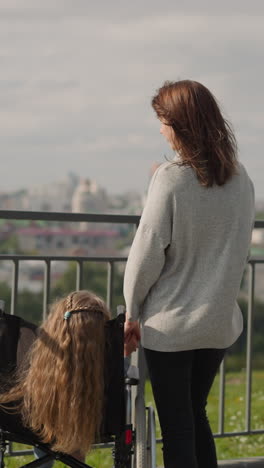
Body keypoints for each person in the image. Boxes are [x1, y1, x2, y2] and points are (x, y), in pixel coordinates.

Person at [123, 80, 255, 468]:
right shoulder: (241, 179)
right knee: (196, 417)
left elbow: (146, 252)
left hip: (171, 327)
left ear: (180, 124)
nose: (160, 130)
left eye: (163, 121)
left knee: (178, 427)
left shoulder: (171, 178)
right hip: (217, 322)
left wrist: (132, 313)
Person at [0, 290, 112, 465]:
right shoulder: (112, 362)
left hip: (39, 425)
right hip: (91, 422)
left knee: (41, 417)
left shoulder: (40, 360)